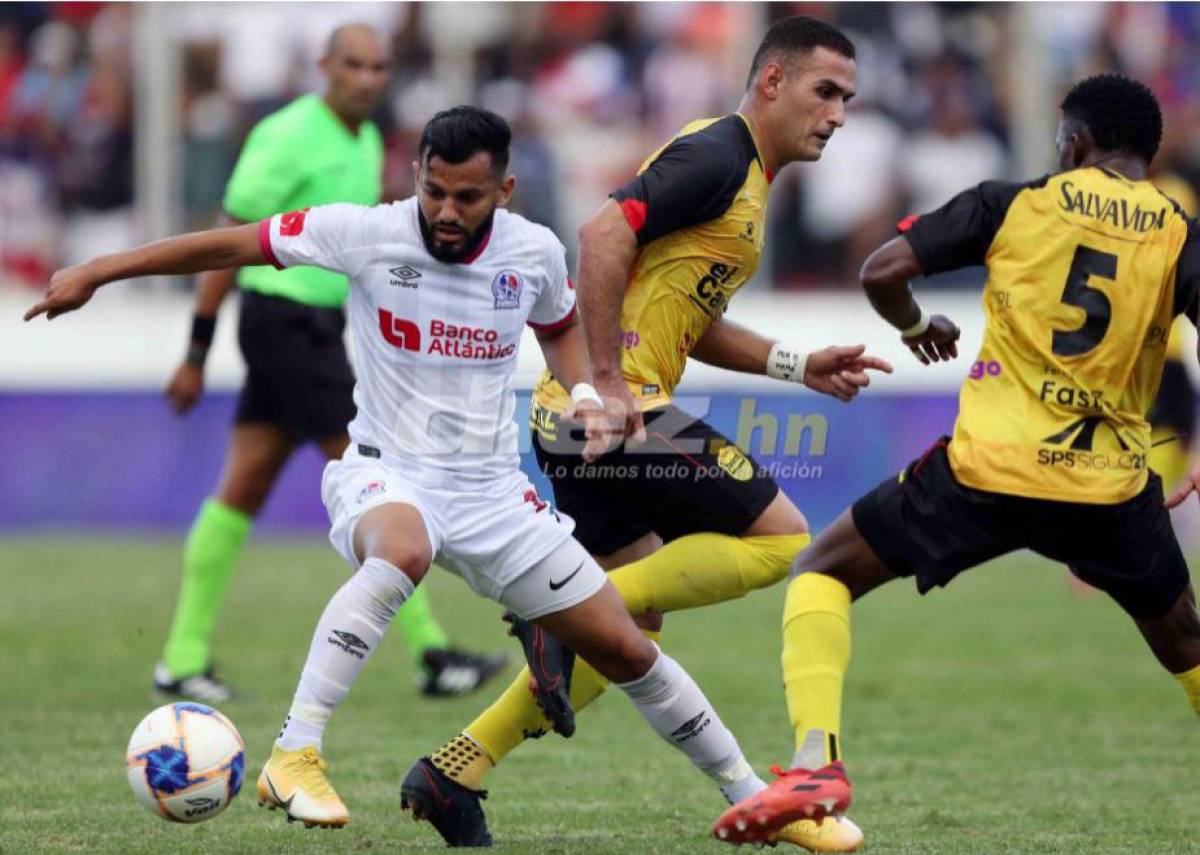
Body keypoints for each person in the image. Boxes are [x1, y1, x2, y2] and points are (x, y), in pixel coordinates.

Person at [27, 106, 779, 839]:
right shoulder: (365, 232)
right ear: (415, 175)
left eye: (468, 197)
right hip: (387, 474)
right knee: (405, 549)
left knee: (627, 651)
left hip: (492, 497)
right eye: (434, 191)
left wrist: (585, 391)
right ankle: (295, 753)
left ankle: (756, 798)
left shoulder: (535, 253)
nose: (447, 212)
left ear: (504, 193)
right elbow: (229, 245)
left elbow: (558, 329)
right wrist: (99, 270)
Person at [414, 16, 889, 851]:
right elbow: (603, 233)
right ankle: (557, 613)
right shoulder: (719, 155)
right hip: (609, 411)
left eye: (848, 98)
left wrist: (797, 363)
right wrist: (604, 381)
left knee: (625, 643)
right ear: (772, 82)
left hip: (586, 412)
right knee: (785, 541)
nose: (839, 113)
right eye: (825, 91)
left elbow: (689, 317)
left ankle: (456, 770)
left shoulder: (746, 180)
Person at [712, 73, 1200, 845]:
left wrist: (914, 324)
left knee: (823, 570)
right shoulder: (1180, 231)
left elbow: (881, 271)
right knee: (1185, 642)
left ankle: (816, 763)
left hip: (988, 472)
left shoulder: (1015, 202)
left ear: (1073, 143)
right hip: (1109, 485)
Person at [154, 23, 505, 703]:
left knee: (243, 488)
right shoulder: (285, 135)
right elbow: (230, 239)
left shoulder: (368, 139)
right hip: (281, 323)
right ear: (324, 66)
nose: (368, 79)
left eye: (379, 67)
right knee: (381, 476)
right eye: (354, 65)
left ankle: (180, 655)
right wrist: (195, 350)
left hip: (318, 327)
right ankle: (432, 651)